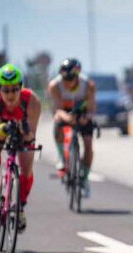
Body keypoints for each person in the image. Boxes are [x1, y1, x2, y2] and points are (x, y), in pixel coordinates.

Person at [0, 63, 41, 232]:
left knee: (27, 167)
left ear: (21, 88)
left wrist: (24, 129)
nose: (10, 95)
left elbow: (31, 136)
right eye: (6, 90)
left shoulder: (32, 101)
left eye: (14, 90)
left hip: (24, 132)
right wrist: (1, 131)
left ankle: (20, 206)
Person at [47, 58, 96, 197]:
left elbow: (92, 109)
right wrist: (67, 118)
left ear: (77, 77)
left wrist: (86, 118)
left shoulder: (88, 85)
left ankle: (84, 177)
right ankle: (62, 158)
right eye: (64, 79)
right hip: (64, 112)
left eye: (71, 79)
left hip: (82, 113)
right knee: (57, 123)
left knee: (88, 146)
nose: (67, 82)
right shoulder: (55, 85)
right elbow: (57, 109)